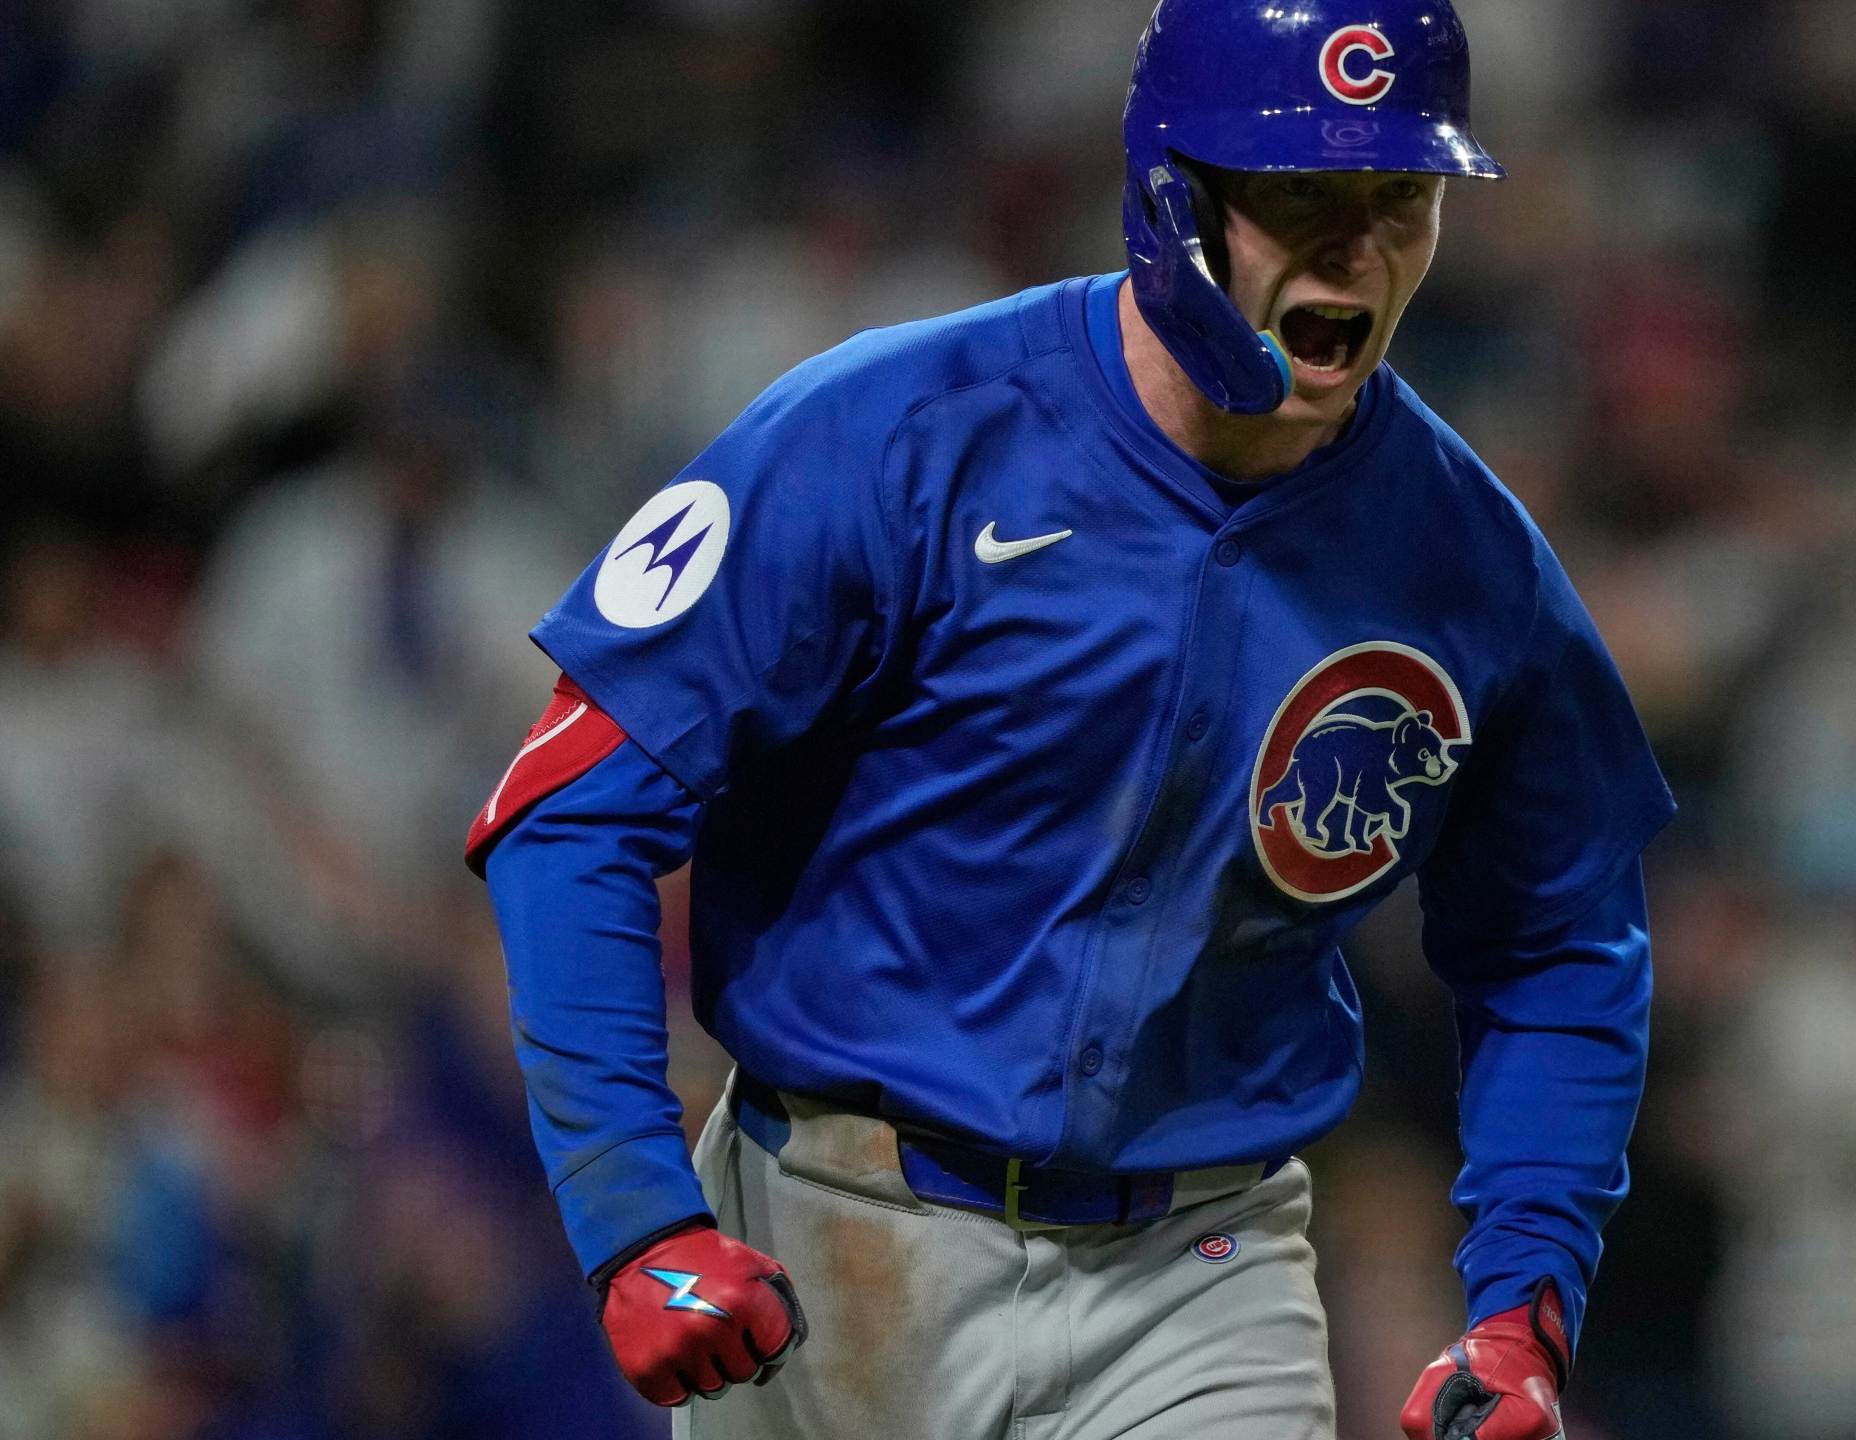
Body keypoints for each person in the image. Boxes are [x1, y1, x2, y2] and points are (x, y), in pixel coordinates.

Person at [467, 2, 1671, 1436]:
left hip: (1201, 1269)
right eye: (1303, 197)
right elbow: (571, 810)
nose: (1359, 250)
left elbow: (1563, 942)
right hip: (837, 1226)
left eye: (1398, 198)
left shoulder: (1466, 560)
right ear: (1172, 196)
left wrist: (1526, 1294)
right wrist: (635, 1211)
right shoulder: (899, 433)